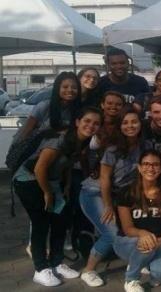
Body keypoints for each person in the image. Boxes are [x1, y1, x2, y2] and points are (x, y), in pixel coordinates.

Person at [12, 107, 102, 287]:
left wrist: (66, 186)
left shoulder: (80, 141)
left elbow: (67, 164)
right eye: (87, 121)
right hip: (29, 180)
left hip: (51, 181)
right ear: (77, 122)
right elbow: (39, 169)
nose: (90, 126)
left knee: (61, 220)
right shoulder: (59, 139)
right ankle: (40, 268)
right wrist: (47, 193)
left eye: (96, 123)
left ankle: (56, 262)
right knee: (41, 223)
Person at [114, 149, 161, 292]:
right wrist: (142, 233)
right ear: (139, 167)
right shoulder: (126, 192)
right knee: (146, 243)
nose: (150, 168)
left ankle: (141, 262)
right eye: (145, 164)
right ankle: (131, 279)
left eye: (155, 164)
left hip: (159, 241)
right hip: (128, 241)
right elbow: (127, 228)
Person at [77, 91, 125, 287]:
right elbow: (100, 170)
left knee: (123, 230)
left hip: (116, 191)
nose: (113, 107)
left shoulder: (123, 131)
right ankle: (88, 270)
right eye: (109, 103)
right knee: (110, 233)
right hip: (95, 190)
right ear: (103, 104)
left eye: (118, 104)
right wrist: (107, 205)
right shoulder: (97, 130)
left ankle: (138, 260)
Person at [99, 105, 144, 242]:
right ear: (119, 126)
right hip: (114, 194)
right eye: (125, 123)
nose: (130, 126)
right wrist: (108, 205)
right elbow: (105, 178)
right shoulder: (112, 149)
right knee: (113, 234)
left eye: (134, 122)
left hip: (135, 195)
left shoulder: (146, 146)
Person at [17, 71, 82, 141]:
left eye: (74, 87)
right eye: (65, 87)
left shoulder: (79, 109)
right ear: (58, 88)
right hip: (38, 147)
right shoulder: (44, 106)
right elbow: (25, 132)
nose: (70, 90)